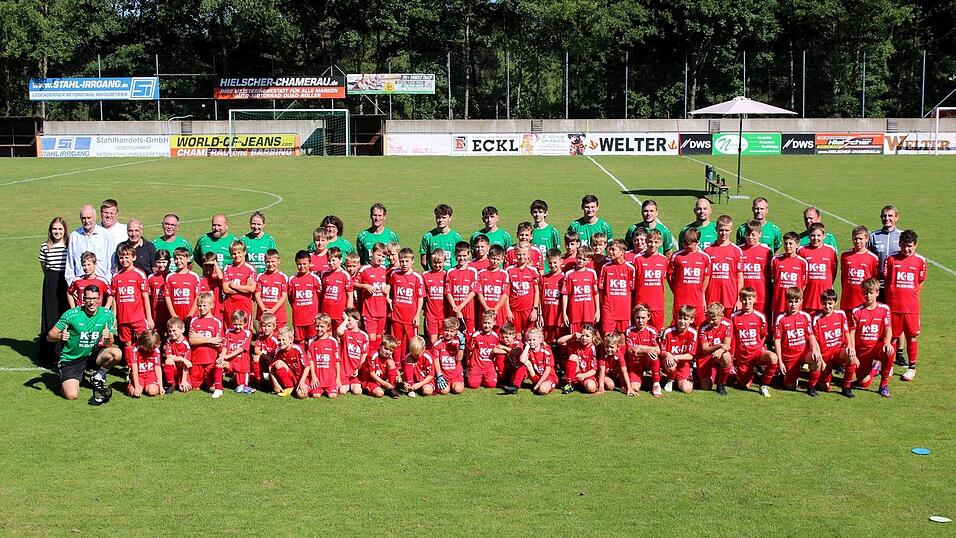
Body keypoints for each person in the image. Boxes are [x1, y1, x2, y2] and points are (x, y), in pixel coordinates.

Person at [47, 284, 122, 404]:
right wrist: (60, 336)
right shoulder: (71, 314)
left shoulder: (107, 315)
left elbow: (109, 343)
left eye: (95, 298)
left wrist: (108, 337)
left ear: (99, 299)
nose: (92, 302)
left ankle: (98, 376)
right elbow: (50, 336)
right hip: (72, 359)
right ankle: (65, 380)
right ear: (83, 299)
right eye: (88, 299)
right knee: (71, 395)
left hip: (91, 355)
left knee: (116, 353)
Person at [883, 230, 925, 382]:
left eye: (910, 246)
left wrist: (911, 295)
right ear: (899, 244)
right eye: (904, 246)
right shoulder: (890, 259)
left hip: (911, 308)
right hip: (893, 306)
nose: (906, 249)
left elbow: (920, 282)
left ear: (915, 245)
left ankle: (912, 368)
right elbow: (887, 282)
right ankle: (889, 365)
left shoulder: (920, 261)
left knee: (911, 337)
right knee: (892, 338)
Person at [849, 278, 894, 397]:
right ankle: (875, 369)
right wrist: (853, 351)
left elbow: (888, 328)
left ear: (877, 293)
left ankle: (883, 385)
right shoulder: (856, 311)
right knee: (863, 383)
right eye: (865, 293)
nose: (868, 295)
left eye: (871, 292)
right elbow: (851, 333)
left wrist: (887, 343)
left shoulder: (884, 309)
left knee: (890, 350)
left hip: (877, 347)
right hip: (862, 351)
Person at [773, 287, 822, 395]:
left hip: (803, 353)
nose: (793, 304)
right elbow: (777, 341)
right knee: (790, 387)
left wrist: (814, 349)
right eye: (790, 301)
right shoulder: (781, 318)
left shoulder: (806, 316)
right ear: (786, 301)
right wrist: (780, 361)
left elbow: (811, 336)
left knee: (817, 359)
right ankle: (784, 375)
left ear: (801, 301)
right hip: (790, 355)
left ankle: (811, 386)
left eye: (796, 301)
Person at [731, 287, 778, 397]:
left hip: (757, 353)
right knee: (744, 385)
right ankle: (753, 373)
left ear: (754, 299)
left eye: (750, 299)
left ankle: (764, 384)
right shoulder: (734, 317)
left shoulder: (760, 316)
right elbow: (732, 338)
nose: (747, 302)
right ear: (740, 299)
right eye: (744, 299)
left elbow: (763, 335)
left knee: (773, 357)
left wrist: (759, 347)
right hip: (743, 356)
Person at [111, 244, 153, 365]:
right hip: (123, 319)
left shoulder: (139, 274)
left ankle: (145, 366)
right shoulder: (116, 276)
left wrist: (149, 317)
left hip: (138, 317)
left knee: (144, 342)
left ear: (134, 257)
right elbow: (114, 299)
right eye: (121, 257)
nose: (124, 260)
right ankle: (130, 367)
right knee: (127, 344)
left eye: (127, 257)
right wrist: (114, 317)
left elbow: (145, 297)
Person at [812, 289, 856, 398]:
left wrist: (850, 347)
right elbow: (815, 342)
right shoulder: (816, 318)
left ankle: (846, 387)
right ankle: (821, 379)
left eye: (830, 303)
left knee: (851, 355)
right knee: (824, 387)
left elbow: (847, 333)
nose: (827, 306)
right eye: (824, 303)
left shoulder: (841, 314)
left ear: (835, 303)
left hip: (838, 352)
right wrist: (821, 361)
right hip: (825, 355)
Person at [38, 216, 70, 364]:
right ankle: (49, 353)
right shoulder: (45, 246)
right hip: (51, 281)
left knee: (65, 314)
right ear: (50, 231)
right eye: (54, 229)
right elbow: (43, 265)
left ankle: (64, 350)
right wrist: (50, 279)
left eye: (60, 229)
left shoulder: (69, 245)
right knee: (50, 315)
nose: (57, 232)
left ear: (64, 230)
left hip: (66, 280)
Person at [667, 228, 710, 326]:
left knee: (699, 326)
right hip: (680, 300)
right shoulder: (676, 256)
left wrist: (701, 293)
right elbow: (669, 276)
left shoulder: (705, 257)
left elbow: (706, 278)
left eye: (688, 244)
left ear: (696, 242)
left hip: (697, 300)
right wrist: (676, 290)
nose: (684, 245)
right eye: (684, 242)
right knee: (678, 326)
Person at [186, 292, 225, 398]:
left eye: (204, 305)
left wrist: (199, 337)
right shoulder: (194, 320)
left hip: (210, 360)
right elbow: (191, 341)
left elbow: (217, 343)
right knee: (194, 387)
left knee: (212, 387)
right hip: (196, 360)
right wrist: (210, 340)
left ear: (211, 305)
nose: (201, 308)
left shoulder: (216, 322)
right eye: (199, 306)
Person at [388, 248, 425, 357]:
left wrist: (417, 315)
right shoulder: (394, 273)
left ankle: (410, 363)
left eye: (407, 261)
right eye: (402, 261)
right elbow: (389, 286)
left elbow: (420, 298)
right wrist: (388, 297)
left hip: (411, 317)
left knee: (412, 343)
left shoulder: (417, 277)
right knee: (397, 342)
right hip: (397, 316)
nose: (404, 264)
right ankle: (397, 364)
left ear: (412, 261)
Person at [704, 215, 743, 315]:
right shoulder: (707, 250)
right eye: (721, 230)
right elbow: (703, 277)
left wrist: (739, 299)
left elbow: (739, 277)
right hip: (711, 298)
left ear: (731, 230)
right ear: (716, 228)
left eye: (727, 230)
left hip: (730, 299)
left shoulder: (737, 251)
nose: (724, 233)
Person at [797, 223, 838, 316]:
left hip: (825, 297)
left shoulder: (830, 251)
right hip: (808, 296)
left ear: (824, 236)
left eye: (819, 235)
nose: (816, 238)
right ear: (808, 235)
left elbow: (833, 271)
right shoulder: (802, 250)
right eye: (813, 235)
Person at [65, 205, 111, 283]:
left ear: (95, 217)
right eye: (83, 218)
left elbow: (111, 262)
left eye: (89, 218)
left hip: (101, 283)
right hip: (80, 284)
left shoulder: (105, 234)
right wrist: (72, 283)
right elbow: (70, 264)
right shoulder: (75, 236)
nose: (86, 221)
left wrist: (107, 282)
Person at [633, 229, 668, 330]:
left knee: (657, 332)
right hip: (641, 304)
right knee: (640, 331)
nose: (653, 245)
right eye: (650, 241)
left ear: (660, 243)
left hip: (658, 305)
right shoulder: (638, 259)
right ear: (646, 241)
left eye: (656, 242)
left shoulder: (664, 260)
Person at [624, 304, 663, 397]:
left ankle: (656, 384)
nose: (640, 321)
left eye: (643, 318)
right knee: (635, 388)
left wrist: (642, 347)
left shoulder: (652, 331)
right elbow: (631, 351)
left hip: (647, 360)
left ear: (648, 317)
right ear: (634, 317)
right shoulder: (629, 331)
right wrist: (646, 349)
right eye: (638, 318)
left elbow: (658, 350)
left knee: (654, 355)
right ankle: (641, 378)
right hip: (635, 362)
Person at [840, 226, 880, 315]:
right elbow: (843, 278)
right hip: (847, 301)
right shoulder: (845, 256)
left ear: (867, 239)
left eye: (860, 239)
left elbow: (874, 281)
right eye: (855, 239)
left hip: (864, 303)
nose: (858, 241)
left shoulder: (873, 258)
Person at [505, 327, 557, 395]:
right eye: (529, 340)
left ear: (540, 340)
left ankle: (546, 385)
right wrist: (527, 347)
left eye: (534, 340)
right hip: (536, 376)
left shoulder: (546, 351)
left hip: (548, 377)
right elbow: (522, 360)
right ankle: (515, 387)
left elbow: (547, 371)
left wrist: (537, 385)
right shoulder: (528, 350)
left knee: (542, 390)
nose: (531, 342)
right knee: (524, 363)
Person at [659, 305, 698, 394]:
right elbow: (662, 351)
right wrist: (668, 354)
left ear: (692, 320)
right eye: (680, 318)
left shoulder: (693, 333)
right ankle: (670, 379)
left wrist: (676, 357)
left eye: (685, 319)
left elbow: (690, 355)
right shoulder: (668, 331)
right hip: (669, 361)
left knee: (687, 389)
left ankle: (681, 379)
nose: (682, 321)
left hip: (683, 364)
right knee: (671, 365)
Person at [598, 239, 635, 334]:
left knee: (623, 337)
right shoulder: (605, 267)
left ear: (622, 251)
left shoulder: (630, 268)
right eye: (610, 249)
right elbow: (601, 290)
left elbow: (631, 291)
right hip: (609, 311)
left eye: (613, 249)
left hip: (624, 310)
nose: (610, 252)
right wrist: (605, 305)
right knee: (607, 336)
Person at [696, 303, 733, 395]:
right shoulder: (703, 327)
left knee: (726, 356)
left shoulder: (728, 323)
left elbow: (727, 345)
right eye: (708, 318)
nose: (710, 321)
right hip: (705, 357)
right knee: (706, 387)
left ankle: (721, 384)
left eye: (713, 319)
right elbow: (705, 350)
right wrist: (719, 346)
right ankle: (711, 371)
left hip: (718, 354)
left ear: (721, 316)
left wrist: (721, 349)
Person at [769, 232, 808, 321]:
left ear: (797, 245)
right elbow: (772, 280)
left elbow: (804, 284)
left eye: (790, 243)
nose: (788, 246)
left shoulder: (802, 262)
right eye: (786, 243)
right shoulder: (776, 260)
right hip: (779, 303)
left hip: (795, 304)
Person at [562, 246, 600, 333]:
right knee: (575, 336)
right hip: (574, 313)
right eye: (579, 258)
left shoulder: (592, 273)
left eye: (584, 259)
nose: (580, 261)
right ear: (576, 257)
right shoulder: (569, 274)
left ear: (589, 261)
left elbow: (596, 293)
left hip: (589, 313)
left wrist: (597, 311)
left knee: (588, 336)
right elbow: (565, 294)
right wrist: (564, 313)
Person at [288, 250, 323, 343]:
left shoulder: (315, 279)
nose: (302, 266)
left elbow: (319, 297)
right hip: (298, 319)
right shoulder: (292, 279)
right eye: (299, 264)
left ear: (310, 263)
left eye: (304, 264)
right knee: (299, 342)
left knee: (312, 342)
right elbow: (291, 298)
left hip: (312, 319)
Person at [505, 243, 540, 336]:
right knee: (516, 335)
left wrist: (535, 309)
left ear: (528, 254)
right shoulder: (509, 270)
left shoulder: (533, 270)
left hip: (528, 309)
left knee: (529, 335)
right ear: (515, 254)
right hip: (514, 309)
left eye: (524, 254)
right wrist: (508, 310)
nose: (521, 257)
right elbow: (506, 293)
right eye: (519, 254)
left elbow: (536, 291)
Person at [305, 313, 341, 398]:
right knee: (316, 395)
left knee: (332, 395)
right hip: (317, 378)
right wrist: (313, 376)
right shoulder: (311, 341)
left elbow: (337, 361)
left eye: (322, 326)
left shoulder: (333, 341)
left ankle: (330, 387)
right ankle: (318, 387)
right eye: (317, 326)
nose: (319, 329)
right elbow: (310, 361)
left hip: (330, 379)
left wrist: (338, 378)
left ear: (328, 327)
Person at [557, 325, 599, 394]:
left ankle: (579, 385)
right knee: (573, 356)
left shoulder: (594, 349)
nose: (584, 338)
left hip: (587, 375)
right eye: (582, 335)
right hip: (575, 374)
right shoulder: (576, 344)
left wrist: (583, 376)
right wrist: (572, 336)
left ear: (593, 337)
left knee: (591, 388)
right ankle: (570, 383)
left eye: (587, 336)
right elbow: (559, 341)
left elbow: (593, 370)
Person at [222, 241, 257, 323]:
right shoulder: (227, 268)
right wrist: (244, 288)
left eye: (239, 252)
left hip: (245, 306)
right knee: (230, 330)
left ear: (244, 252)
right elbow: (226, 289)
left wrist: (234, 286)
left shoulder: (250, 268)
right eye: (234, 253)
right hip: (230, 306)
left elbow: (251, 289)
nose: (237, 255)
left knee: (245, 329)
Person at [476, 245, 511, 329]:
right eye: (493, 258)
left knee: (499, 332)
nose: (495, 261)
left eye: (498, 259)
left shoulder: (504, 274)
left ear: (502, 259)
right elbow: (479, 293)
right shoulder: (481, 273)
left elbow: (505, 294)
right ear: (488, 257)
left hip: (499, 311)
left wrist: (496, 308)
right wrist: (486, 308)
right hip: (485, 310)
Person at [420, 204, 463, 271]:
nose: (440, 220)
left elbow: (462, 258)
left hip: (451, 274)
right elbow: (423, 261)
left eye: (444, 217)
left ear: (450, 218)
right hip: (434, 274)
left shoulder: (456, 238)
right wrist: (431, 273)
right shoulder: (428, 237)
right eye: (438, 217)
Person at [220, 310, 254, 394]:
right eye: (235, 324)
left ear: (245, 324)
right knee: (219, 363)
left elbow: (242, 348)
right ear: (232, 322)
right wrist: (222, 356)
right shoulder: (228, 331)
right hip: (230, 362)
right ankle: (217, 385)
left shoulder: (248, 333)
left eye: (240, 324)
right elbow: (225, 345)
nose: (237, 327)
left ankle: (247, 379)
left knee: (241, 387)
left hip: (242, 363)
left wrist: (228, 356)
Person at [164, 247, 201, 322]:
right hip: (175, 318)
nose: (178, 261)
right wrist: (173, 315)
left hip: (191, 317)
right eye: (176, 259)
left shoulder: (194, 276)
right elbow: (167, 297)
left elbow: (197, 297)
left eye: (181, 258)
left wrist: (190, 315)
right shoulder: (170, 277)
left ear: (188, 259)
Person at [337, 308, 369, 395]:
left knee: (357, 391)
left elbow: (364, 355)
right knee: (342, 391)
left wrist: (358, 369)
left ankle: (355, 384)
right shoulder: (345, 332)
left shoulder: (364, 335)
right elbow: (339, 331)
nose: (347, 323)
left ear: (357, 320)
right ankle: (346, 384)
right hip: (344, 371)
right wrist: (345, 320)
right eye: (346, 320)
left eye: (349, 320)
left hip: (356, 371)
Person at [255, 249, 289, 328]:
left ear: (278, 261)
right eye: (268, 262)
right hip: (263, 315)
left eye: (273, 261)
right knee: (264, 335)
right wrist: (264, 310)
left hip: (278, 316)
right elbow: (257, 295)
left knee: (279, 335)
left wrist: (273, 310)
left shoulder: (283, 277)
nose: (270, 264)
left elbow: (284, 296)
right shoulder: (260, 276)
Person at [320, 247, 353, 328]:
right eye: (329, 260)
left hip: (339, 314)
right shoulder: (324, 274)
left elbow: (350, 296)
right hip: (326, 313)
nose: (331, 263)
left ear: (340, 260)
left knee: (339, 334)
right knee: (327, 334)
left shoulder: (345, 275)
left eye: (333, 260)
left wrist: (348, 313)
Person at [467, 311, 500, 389]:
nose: (487, 325)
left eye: (489, 323)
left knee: (491, 384)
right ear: (481, 322)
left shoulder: (496, 336)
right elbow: (470, 351)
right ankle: (471, 374)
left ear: (494, 323)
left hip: (489, 365)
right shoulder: (476, 335)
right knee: (473, 385)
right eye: (485, 323)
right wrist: (470, 364)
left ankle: (485, 378)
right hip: (477, 365)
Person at [432, 318, 465, 395]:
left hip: (456, 374)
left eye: (451, 331)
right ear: (443, 329)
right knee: (444, 391)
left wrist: (461, 346)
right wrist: (439, 375)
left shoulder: (458, 342)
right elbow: (436, 360)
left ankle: (458, 382)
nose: (448, 333)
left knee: (458, 389)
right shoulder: (437, 344)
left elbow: (459, 359)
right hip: (444, 375)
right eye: (446, 330)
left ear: (456, 332)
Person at [127, 330, 163, 398]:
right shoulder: (134, 349)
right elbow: (134, 370)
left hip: (150, 375)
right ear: (143, 344)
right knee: (133, 392)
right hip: (139, 375)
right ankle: (137, 386)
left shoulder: (155, 350)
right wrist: (137, 387)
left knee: (152, 391)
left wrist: (161, 386)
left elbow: (158, 368)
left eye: (152, 348)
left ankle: (147, 387)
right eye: (149, 348)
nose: (151, 350)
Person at [867, 204, 901, 271]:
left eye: (890, 216)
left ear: (896, 218)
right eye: (884, 216)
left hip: (896, 275)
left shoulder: (902, 235)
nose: (887, 218)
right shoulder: (873, 236)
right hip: (878, 276)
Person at [99, 199, 127, 272]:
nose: (108, 216)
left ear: (116, 214)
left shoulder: (125, 231)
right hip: (98, 274)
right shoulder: (94, 230)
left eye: (111, 213)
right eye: (105, 212)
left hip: (120, 273)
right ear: (101, 213)